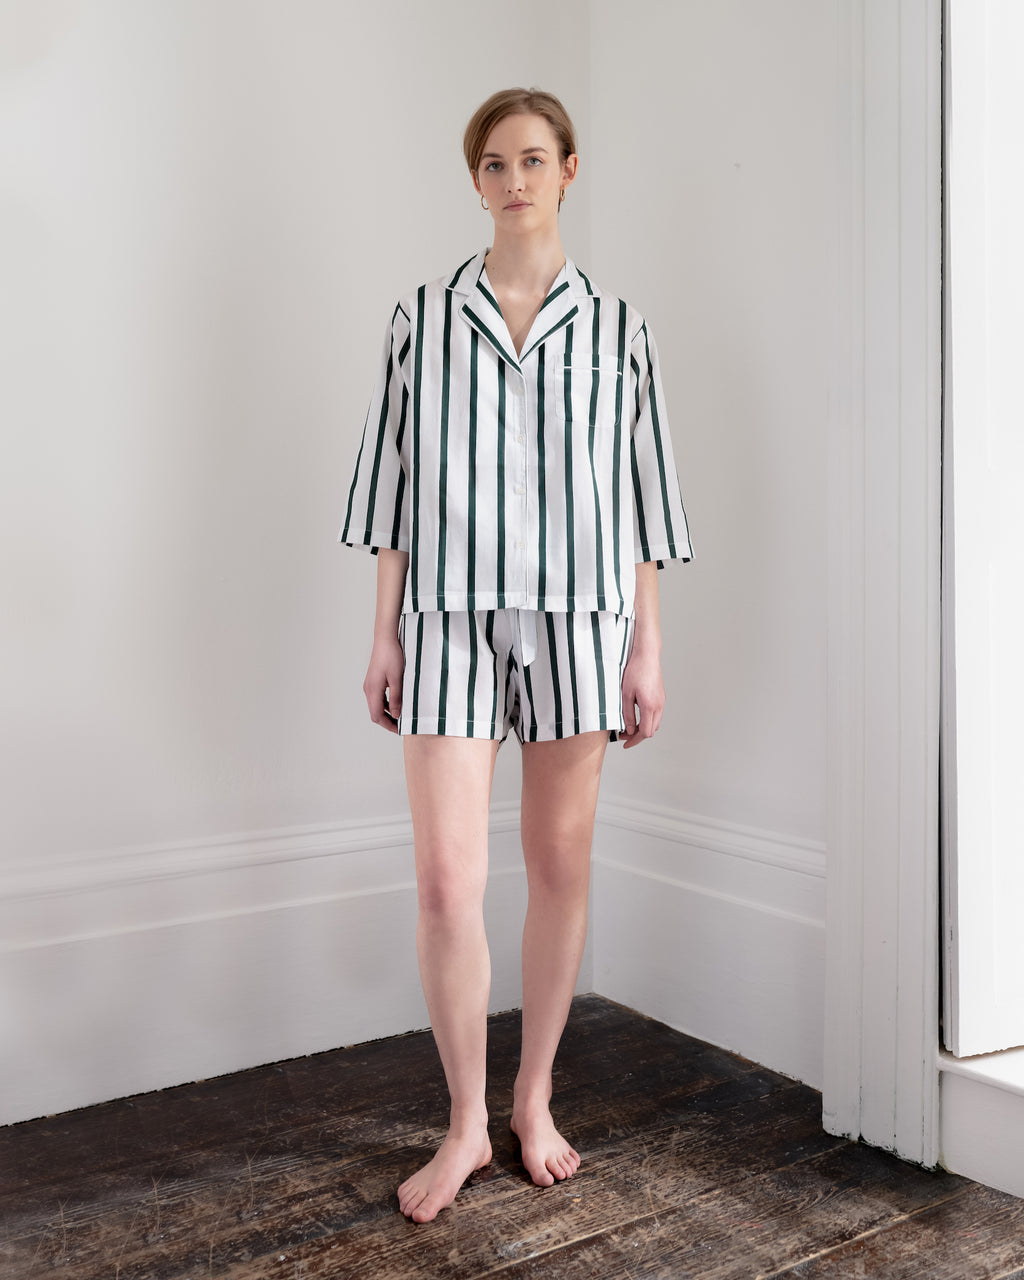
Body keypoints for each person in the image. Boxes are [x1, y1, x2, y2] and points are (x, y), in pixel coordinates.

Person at [340, 87, 692, 1224]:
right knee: (447, 881)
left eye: (533, 159)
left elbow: (642, 504)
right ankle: (464, 1124)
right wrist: (384, 629)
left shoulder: (621, 328)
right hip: (445, 616)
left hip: (582, 623)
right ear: (476, 180)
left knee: (558, 868)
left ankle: (532, 1099)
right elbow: (392, 487)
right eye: (494, 163)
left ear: (568, 170)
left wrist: (647, 646)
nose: (514, 180)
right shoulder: (421, 319)